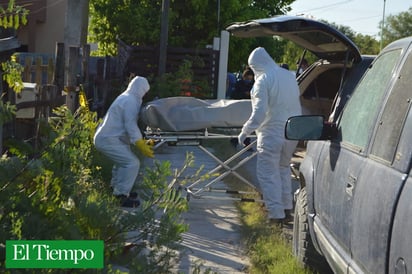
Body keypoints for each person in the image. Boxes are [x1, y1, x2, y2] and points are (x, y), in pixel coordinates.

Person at [237, 47, 302, 225]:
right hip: (292, 131)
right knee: (282, 169)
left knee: (268, 173)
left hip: (271, 132)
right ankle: (287, 207)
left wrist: (245, 132)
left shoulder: (263, 80)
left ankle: (275, 214)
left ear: (255, 65)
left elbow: (260, 112)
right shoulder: (289, 75)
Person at [93, 76, 154, 208]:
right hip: (108, 139)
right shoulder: (130, 101)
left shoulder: (126, 97)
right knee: (131, 163)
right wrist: (139, 143)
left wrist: (141, 141)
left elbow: (126, 126)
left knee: (122, 162)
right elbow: (130, 125)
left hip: (108, 137)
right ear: (141, 89)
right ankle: (120, 196)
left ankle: (116, 189)